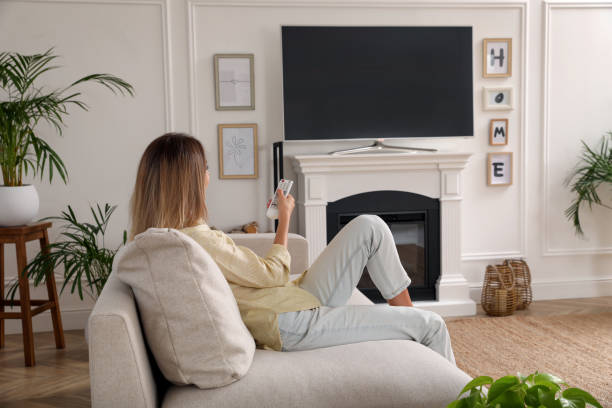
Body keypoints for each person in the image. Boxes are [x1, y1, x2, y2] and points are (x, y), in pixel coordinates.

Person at [129, 133, 455, 364]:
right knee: (433, 324)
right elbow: (273, 272)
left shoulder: (165, 239)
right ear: (191, 182)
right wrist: (284, 220)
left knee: (369, 225)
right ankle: (424, 343)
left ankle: (407, 325)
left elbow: (263, 278)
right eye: (204, 170)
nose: (208, 176)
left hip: (291, 298)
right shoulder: (198, 240)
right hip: (291, 321)